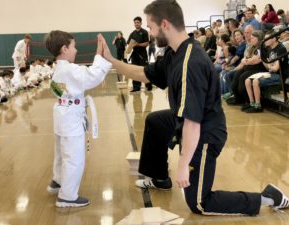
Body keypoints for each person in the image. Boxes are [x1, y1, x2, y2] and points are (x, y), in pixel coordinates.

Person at [100, 0, 289, 216]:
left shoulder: (190, 63)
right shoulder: (175, 52)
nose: (150, 33)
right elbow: (145, 74)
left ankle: (267, 197)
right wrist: (111, 60)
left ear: (165, 24)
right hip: (191, 122)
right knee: (155, 121)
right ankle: (159, 177)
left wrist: (182, 164)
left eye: (151, 27)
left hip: (205, 134)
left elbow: (192, 122)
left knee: (200, 203)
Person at [44, 30, 112, 208]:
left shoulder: (59, 67)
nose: (76, 50)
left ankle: (58, 181)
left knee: (61, 152)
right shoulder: (69, 69)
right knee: (74, 157)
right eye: (74, 47)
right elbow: (92, 77)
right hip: (70, 116)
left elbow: (58, 89)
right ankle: (67, 196)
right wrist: (100, 53)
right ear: (64, 48)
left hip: (62, 113)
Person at [244, 31, 288, 113]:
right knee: (247, 80)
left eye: (267, 39)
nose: (265, 41)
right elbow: (269, 67)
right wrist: (263, 59)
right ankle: (252, 103)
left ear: (274, 39)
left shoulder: (281, 49)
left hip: (280, 75)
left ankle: (258, 106)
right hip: (271, 73)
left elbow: (275, 68)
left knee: (256, 81)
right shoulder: (268, 49)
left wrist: (270, 66)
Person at [127, 16, 152, 92]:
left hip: (142, 55)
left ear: (141, 23)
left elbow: (147, 43)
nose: (136, 24)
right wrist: (130, 47)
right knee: (135, 71)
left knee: (144, 71)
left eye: (138, 22)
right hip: (134, 55)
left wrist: (138, 44)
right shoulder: (132, 33)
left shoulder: (144, 32)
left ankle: (148, 85)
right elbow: (129, 43)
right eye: (135, 22)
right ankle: (136, 87)